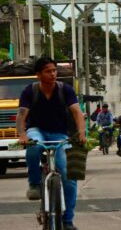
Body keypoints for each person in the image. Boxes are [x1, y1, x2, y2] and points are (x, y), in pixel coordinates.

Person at [17, 56, 87, 230]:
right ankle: (34, 184)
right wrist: (22, 134)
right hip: (37, 130)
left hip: (60, 134)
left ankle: (68, 220)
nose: (53, 74)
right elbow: (21, 115)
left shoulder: (66, 90)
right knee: (34, 147)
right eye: (48, 71)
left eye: (54, 70)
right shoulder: (29, 91)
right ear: (38, 74)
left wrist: (81, 132)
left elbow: (77, 112)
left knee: (69, 175)